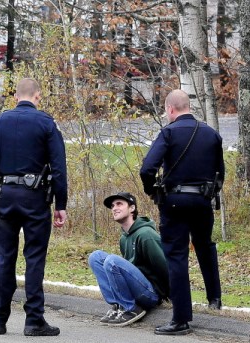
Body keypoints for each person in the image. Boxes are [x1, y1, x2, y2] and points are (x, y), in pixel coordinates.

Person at [0, 78, 68, 336]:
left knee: (5, 259)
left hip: (5, 196)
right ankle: (33, 320)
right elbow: (58, 167)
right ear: (38, 96)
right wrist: (60, 204)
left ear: (15, 97)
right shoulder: (46, 123)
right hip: (35, 197)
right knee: (34, 259)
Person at [140, 89, 224, 335]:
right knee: (205, 246)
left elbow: (147, 168)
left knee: (176, 256)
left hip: (174, 201)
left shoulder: (168, 133)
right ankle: (214, 298)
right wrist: (207, 194)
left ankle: (181, 319)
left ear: (170, 109)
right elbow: (220, 173)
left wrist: (151, 190)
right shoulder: (211, 134)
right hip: (202, 201)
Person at [89, 192, 169, 327]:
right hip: (136, 287)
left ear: (132, 208)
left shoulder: (146, 234)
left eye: (119, 204)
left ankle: (131, 309)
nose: (114, 208)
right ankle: (118, 306)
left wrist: (175, 297)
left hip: (151, 294)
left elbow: (166, 267)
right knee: (95, 257)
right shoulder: (124, 238)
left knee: (112, 261)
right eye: (113, 206)